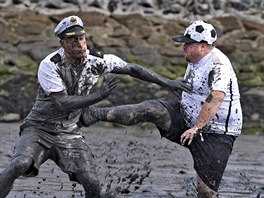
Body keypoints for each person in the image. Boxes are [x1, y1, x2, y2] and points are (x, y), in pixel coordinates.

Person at [0, 16, 191, 198]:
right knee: (20, 163)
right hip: (39, 128)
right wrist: (99, 95)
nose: (79, 43)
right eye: (73, 40)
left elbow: (132, 69)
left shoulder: (96, 60)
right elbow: (63, 102)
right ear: (62, 43)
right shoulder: (50, 65)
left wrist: (167, 82)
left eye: (81, 38)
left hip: (68, 132)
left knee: (91, 181)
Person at [81, 20, 243, 197]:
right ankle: (93, 114)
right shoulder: (195, 58)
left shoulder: (219, 65)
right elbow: (195, 91)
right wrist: (171, 86)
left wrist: (197, 127)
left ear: (203, 47)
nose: (183, 47)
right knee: (151, 109)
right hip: (185, 116)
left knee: (206, 192)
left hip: (216, 133)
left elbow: (217, 97)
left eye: (188, 43)